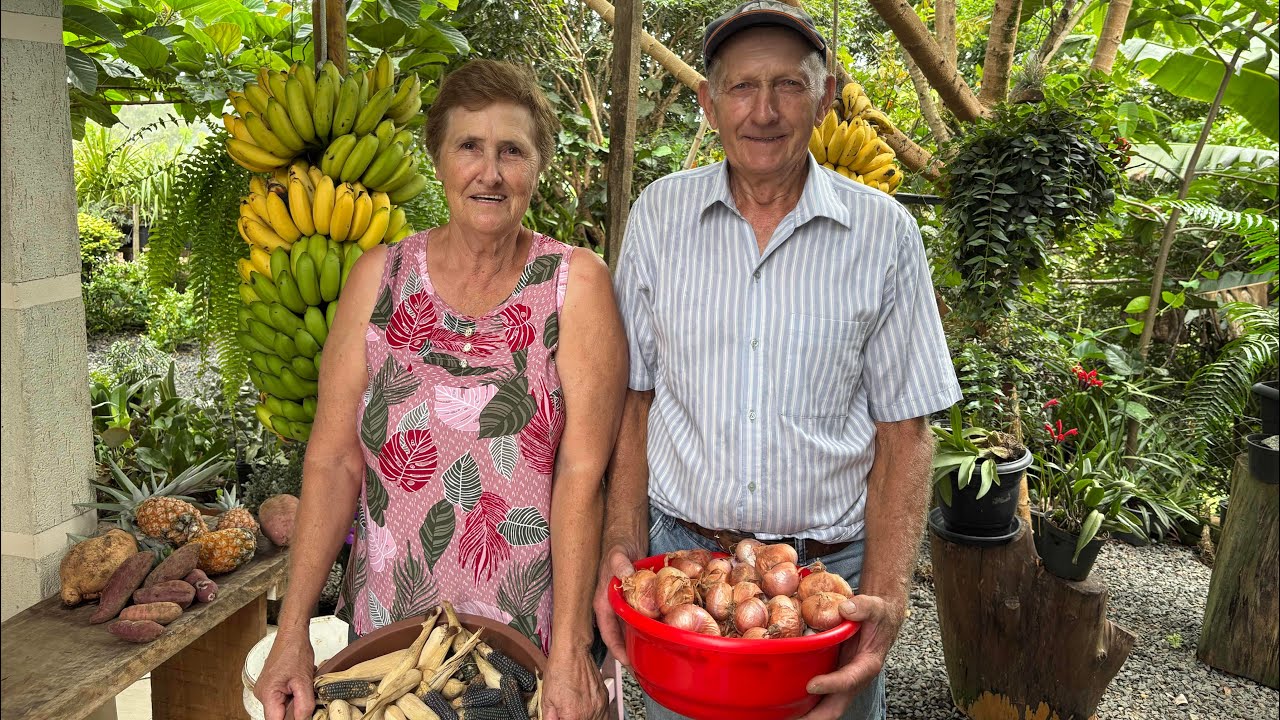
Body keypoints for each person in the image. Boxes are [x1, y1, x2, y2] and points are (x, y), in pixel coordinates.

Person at [591, 3, 961, 719]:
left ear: (824, 99)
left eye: (789, 86)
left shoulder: (883, 235)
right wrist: (622, 547)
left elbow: (906, 434)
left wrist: (887, 598)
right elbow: (633, 402)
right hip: (686, 573)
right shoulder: (659, 219)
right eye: (741, 87)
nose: (763, 111)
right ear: (708, 101)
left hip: (828, 584)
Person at [257, 59, 626, 720]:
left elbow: (583, 472)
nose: (490, 171)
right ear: (439, 160)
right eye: (469, 147)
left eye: (512, 150)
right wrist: (291, 635)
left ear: (538, 164)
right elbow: (333, 459)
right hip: (389, 642)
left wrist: (572, 650)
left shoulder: (576, 286)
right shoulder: (381, 276)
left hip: (528, 641)